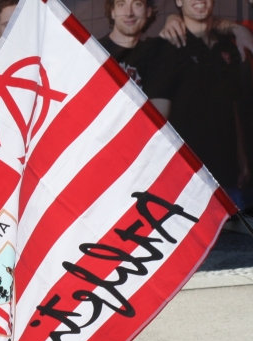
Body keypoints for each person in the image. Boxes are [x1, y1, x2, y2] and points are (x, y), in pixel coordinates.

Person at [157, 0, 249, 206]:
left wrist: (241, 156)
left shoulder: (228, 48)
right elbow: (157, 119)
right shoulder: (166, 46)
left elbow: (232, 106)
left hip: (229, 177)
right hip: (186, 181)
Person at [96, 0, 173, 117]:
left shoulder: (157, 52)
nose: (129, 13)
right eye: (121, 4)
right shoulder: (94, 52)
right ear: (113, 12)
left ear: (148, 11)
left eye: (137, 4)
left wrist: (174, 18)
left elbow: (158, 119)